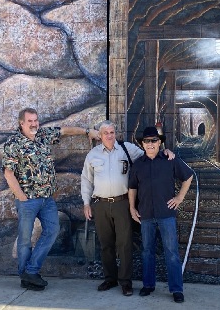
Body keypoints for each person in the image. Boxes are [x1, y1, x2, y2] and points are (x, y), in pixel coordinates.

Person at [2, 107, 99, 291]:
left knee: (52, 230)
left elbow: (64, 130)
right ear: (21, 123)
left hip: (47, 199)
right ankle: (27, 277)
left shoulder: (43, 135)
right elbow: (8, 173)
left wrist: (87, 131)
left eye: (36, 120)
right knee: (24, 240)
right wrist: (22, 197)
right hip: (27, 201)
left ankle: (30, 271)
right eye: (30, 121)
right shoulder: (13, 143)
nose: (34, 124)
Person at [81, 121, 174, 296]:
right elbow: (86, 180)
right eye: (106, 133)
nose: (109, 135)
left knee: (124, 244)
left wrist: (165, 152)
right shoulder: (92, 155)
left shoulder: (127, 149)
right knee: (106, 244)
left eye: (112, 132)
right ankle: (110, 279)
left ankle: (125, 282)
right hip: (100, 204)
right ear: (100, 136)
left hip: (122, 203)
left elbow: (150, 154)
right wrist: (86, 203)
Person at [128, 126, 194, 303]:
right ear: (142, 144)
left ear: (159, 142)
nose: (150, 144)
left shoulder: (170, 160)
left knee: (171, 252)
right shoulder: (138, 165)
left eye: (154, 141)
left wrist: (179, 197)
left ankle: (176, 289)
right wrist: (132, 208)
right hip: (146, 215)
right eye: (147, 141)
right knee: (147, 251)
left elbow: (188, 177)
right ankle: (148, 285)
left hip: (166, 215)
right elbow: (132, 188)